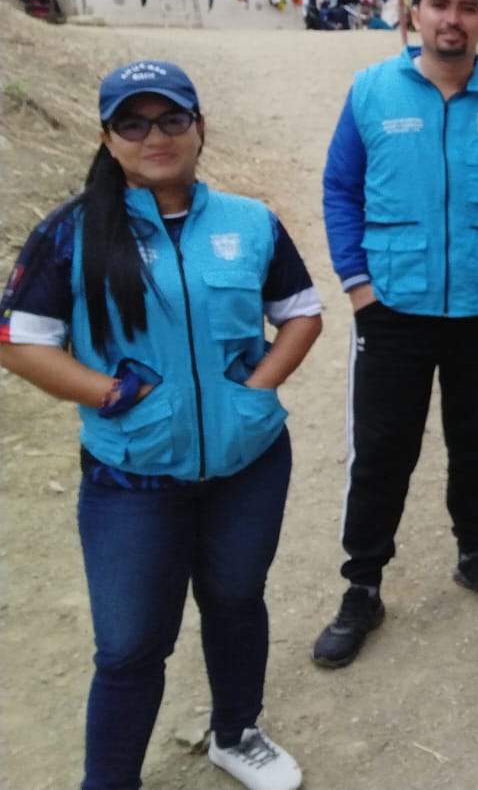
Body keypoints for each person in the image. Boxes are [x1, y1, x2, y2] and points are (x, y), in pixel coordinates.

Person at [0, 60, 323, 790]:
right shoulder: (72, 233)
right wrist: (114, 395)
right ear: (107, 138)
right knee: (128, 647)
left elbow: (301, 313)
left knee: (236, 602)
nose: (156, 136)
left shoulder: (249, 222)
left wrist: (257, 391)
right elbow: (20, 341)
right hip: (130, 477)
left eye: (173, 118)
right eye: (133, 123)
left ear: (200, 128)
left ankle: (236, 734)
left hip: (249, 463)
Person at [314, 0, 478, 668]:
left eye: (468, 7)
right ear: (415, 13)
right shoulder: (371, 92)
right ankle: (363, 585)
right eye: (440, 4)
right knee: (382, 448)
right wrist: (358, 284)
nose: (453, 19)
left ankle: (474, 553)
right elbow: (340, 188)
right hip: (393, 305)